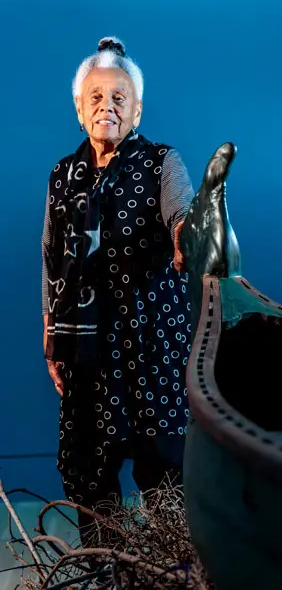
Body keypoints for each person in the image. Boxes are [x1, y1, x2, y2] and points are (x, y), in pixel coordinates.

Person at [41, 36, 195, 547]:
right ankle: (107, 569)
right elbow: (51, 260)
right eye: (96, 97)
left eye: (119, 97)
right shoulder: (63, 175)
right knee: (91, 476)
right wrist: (51, 337)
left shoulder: (161, 163)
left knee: (166, 470)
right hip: (86, 353)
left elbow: (183, 216)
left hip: (152, 345)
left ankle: (175, 567)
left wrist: (186, 236)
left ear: (138, 109)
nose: (107, 105)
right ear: (79, 108)